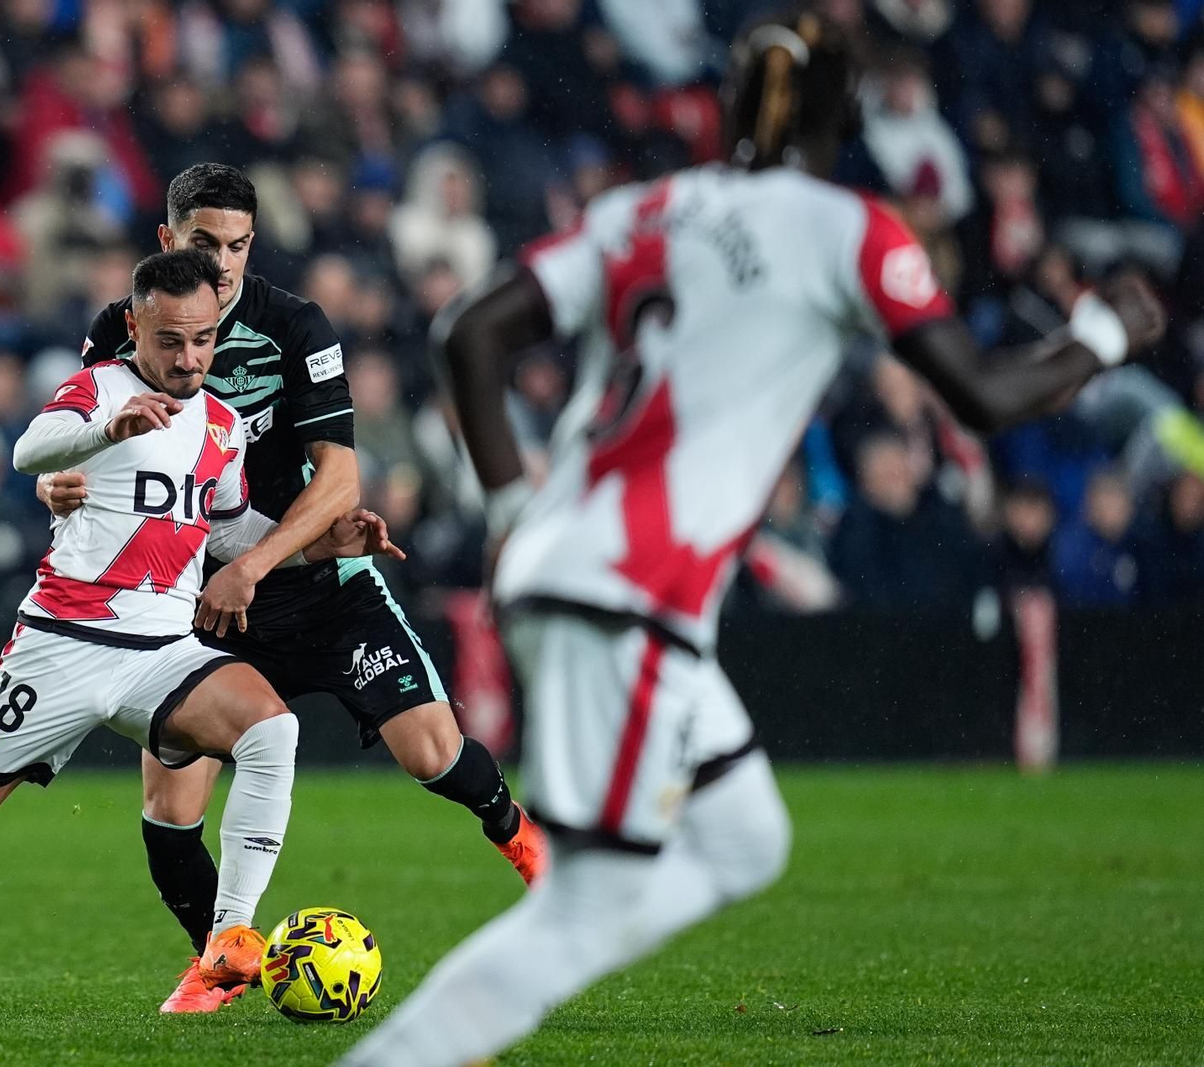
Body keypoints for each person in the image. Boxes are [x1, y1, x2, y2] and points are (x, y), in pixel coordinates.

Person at [341, 10, 1166, 1065]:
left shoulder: (647, 207)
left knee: (746, 837)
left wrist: (511, 510)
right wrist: (1104, 333)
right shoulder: (847, 227)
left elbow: (470, 330)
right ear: (845, 117)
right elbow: (988, 393)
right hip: (627, 592)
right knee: (579, 914)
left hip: (587, 572)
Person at [0, 249, 398, 1020]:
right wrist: (99, 432)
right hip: (62, 644)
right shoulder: (96, 388)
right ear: (134, 325)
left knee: (271, 727)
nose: (188, 359)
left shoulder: (221, 425)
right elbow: (28, 451)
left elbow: (221, 528)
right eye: (170, 342)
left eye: (203, 341)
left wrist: (323, 542)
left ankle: (230, 934)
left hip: (163, 649)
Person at [38, 163, 547, 1014]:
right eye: (207, 243)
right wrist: (61, 486)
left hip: (312, 583)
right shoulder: (122, 327)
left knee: (432, 751)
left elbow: (342, 480)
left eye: (239, 244)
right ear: (168, 242)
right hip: (195, 604)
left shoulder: (294, 325)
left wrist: (256, 562)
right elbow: (81, 440)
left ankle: (521, 838)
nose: (226, 262)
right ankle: (219, 963)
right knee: (170, 814)